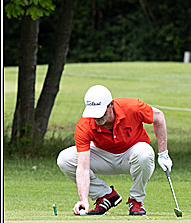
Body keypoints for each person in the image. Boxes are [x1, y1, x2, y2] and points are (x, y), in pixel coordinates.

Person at [57, 84, 173, 216]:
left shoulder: (132, 107)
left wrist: (163, 154)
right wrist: (83, 200)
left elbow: (159, 117)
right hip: (103, 156)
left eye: (101, 113)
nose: (97, 118)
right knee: (65, 159)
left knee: (145, 153)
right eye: (94, 114)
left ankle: (136, 200)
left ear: (111, 105)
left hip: (132, 155)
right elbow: (82, 168)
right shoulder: (84, 124)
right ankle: (105, 196)